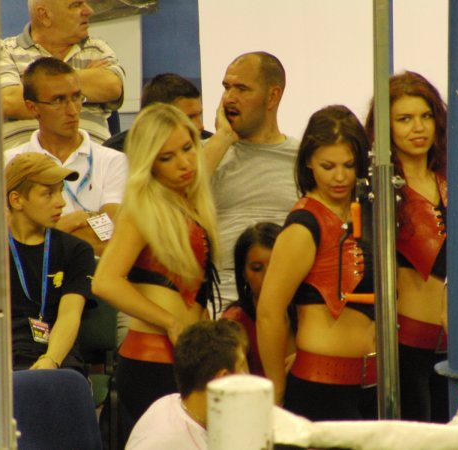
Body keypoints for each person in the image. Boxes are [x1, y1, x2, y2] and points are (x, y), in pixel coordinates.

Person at [91, 103, 220, 447]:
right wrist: (170, 322)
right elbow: (105, 281)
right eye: (167, 157)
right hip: (152, 362)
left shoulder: (189, 202)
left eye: (188, 148)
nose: (184, 163)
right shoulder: (141, 209)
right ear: (149, 163)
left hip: (187, 357)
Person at [0, 152, 95, 449]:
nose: (61, 203)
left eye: (61, 192)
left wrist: (50, 361)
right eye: (48, 193)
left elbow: (69, 316)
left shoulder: (76, 250)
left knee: (63, 404)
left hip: (54, 352)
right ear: (16, 200)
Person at [257, 105, 376, 421]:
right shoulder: (303, 225)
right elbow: (269, 313)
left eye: (349, 165)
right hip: (321, 389)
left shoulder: (369, 211)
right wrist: (276, 389)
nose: (340, 177)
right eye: (328, 166)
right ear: (309, 161)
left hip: (373, 384)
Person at [365, 71, 448, 423]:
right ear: (385, 127)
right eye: (404, 119)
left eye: (426, 116)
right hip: (405, 348)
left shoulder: (455, 179)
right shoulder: (378, 189)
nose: (418, 128)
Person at [0, 57, 128, 257]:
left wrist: (36, 230)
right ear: (32, 108)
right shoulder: (7, 162)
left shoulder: (114, 161)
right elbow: (4, 234)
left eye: (76, 97)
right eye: (58, 100)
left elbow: (114, 236)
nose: (72, 110)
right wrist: (77, 220)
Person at [211, 51, 299, 311]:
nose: (229, 98)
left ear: (272, 96)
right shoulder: (209, 154)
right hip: (220, 298)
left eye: (241, 89)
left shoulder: (304, 158)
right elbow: (178, 200)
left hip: (290, 296)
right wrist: (223, 138)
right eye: (226, 87)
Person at [0, 0, 125, 149]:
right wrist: (83, 87)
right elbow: (8, 101)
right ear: (44, 16)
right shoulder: (4, 51)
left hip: (90, 156)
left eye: (76, 97)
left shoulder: (96, 49)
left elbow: (112, 86)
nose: (89, 11)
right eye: (76, 5)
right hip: (26, 158)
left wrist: (35, 89)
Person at [125, 319, 248, 450]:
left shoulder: (168, 402)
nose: (247, 377)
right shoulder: (163, 442)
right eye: (242, 366)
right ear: (223, 379)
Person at [222, 222, 295, 376]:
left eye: (276, 265)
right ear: (243, 273)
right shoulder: (235, 323)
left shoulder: (308, 313)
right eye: (257, 268)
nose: (268, 276)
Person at [104, 73, 212, 151]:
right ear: (155, 119)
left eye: (199, 115)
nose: (200, 126)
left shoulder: (210, 143)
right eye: (189, 118)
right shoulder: (114, 153)